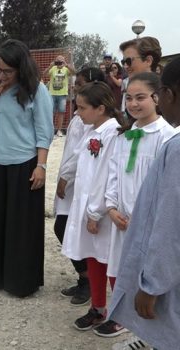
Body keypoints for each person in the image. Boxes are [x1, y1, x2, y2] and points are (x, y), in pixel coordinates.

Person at [92, 73, 175, 338]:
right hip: (121, 218)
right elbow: (114, 173)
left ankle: (147, 334)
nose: (133, 104)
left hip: (148, 222)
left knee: (149, 277)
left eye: (141, 97)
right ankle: (124, 319)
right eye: (129, 98)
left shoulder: (167, 137)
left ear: (158, 97)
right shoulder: (124, 135)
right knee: (121, 268)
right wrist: (112, 206)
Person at [0, 39, 53, 297]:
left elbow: (44, 131)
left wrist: (41, 165)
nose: (1, 74)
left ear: (21, 68)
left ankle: (20, 281)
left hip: (24, 164)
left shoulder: (36, 90)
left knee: (21, 226)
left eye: (7, 70)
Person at [108, 57, 180, 350]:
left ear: (166, 95)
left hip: (163, 266)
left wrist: (150, 285)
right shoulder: (125, 136)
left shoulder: (172, 144)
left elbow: (169, 223)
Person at [60, 82, 122, 331]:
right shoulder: (92, 129)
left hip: (103, 211)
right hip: (87, 207)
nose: (77, 113)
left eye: (82, 108)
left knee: (112, 259)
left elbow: (107, 175)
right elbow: (80, 162)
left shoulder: (113, 133)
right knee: (93, 256)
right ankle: (98, 307)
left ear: (101, 108)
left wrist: (95, 211)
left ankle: (120, 314)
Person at [55, 67, 106, 306]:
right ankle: (84, 277)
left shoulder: (94, 122)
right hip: (71, 181)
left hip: (79, 182)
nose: (76, 86)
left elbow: (79, 153)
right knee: (64, 227)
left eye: (81, 83)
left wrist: (65, 176)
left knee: (65, 227)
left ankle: (89, 280)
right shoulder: (80, 116)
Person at [119, 36, 162, 112]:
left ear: (148, 61)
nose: (125, 66)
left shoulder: (165, 91)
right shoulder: (130, 86)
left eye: (129, 61)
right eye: (123, 62)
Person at [44, 55, 75, 137]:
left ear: (64, 61)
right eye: (57, 60)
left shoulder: (66, 69)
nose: (59, 62)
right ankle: (50, 129)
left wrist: (67, 65)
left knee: (61, 112)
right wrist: (50, 66)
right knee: (51, 112)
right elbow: (44, 74)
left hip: (62, 94)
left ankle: (59, 130)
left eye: (61, 60)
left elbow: (74, 72)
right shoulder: (53, 68)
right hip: (52, 93)